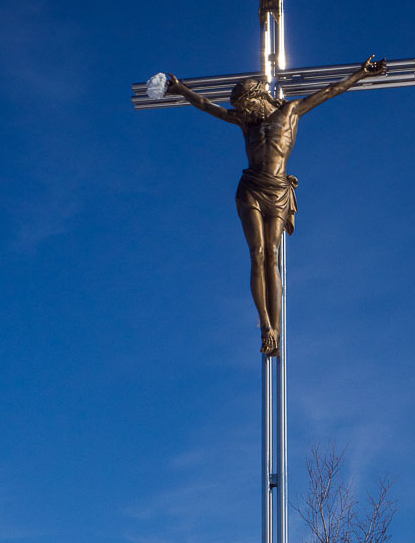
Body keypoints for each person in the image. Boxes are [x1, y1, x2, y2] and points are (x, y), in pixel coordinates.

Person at [165, 56, 386, 356]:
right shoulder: (246, 122)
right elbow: (208, 106)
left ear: (257, 97)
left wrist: (360, 73)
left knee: (272, 255)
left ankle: (277, 329)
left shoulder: (291, 111)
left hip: (279, 190)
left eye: (245, 104)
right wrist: (182, 90)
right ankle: (265, 325)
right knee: (256, 255)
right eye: (240, 108)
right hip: (251, 189)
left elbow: (332, 90)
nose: (243, 111)